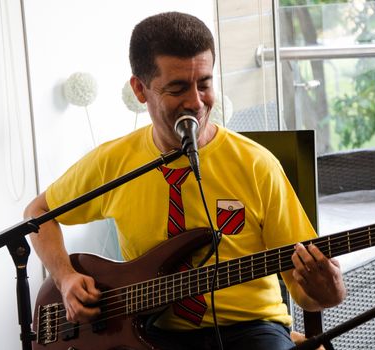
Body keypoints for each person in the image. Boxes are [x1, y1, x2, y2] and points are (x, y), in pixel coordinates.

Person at [25, 11, 346, 350]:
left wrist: (328, 289)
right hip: (148, 333)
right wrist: (65, 277)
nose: (196, 101)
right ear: (140, 89)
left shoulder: (256, 164)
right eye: (178, 88)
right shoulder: (113, 161)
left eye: (204, 83)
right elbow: (38, 213)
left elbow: (308, 296)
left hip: (250, 328)